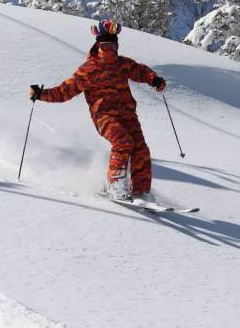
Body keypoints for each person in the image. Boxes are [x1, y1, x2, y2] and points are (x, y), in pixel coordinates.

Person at [29, 19, 166, 200]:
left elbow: (140, 71)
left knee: (141, 150)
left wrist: (154, 79)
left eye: (113, 46)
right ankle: (116, 185)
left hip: (128, 115)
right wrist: (41, 94)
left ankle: (140, 191)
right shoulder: (89, 70)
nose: (110, 50)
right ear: (99, 46)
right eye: (106, 46)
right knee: (123, 142)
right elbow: (65, 91)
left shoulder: (122, 64)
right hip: (104, 116)